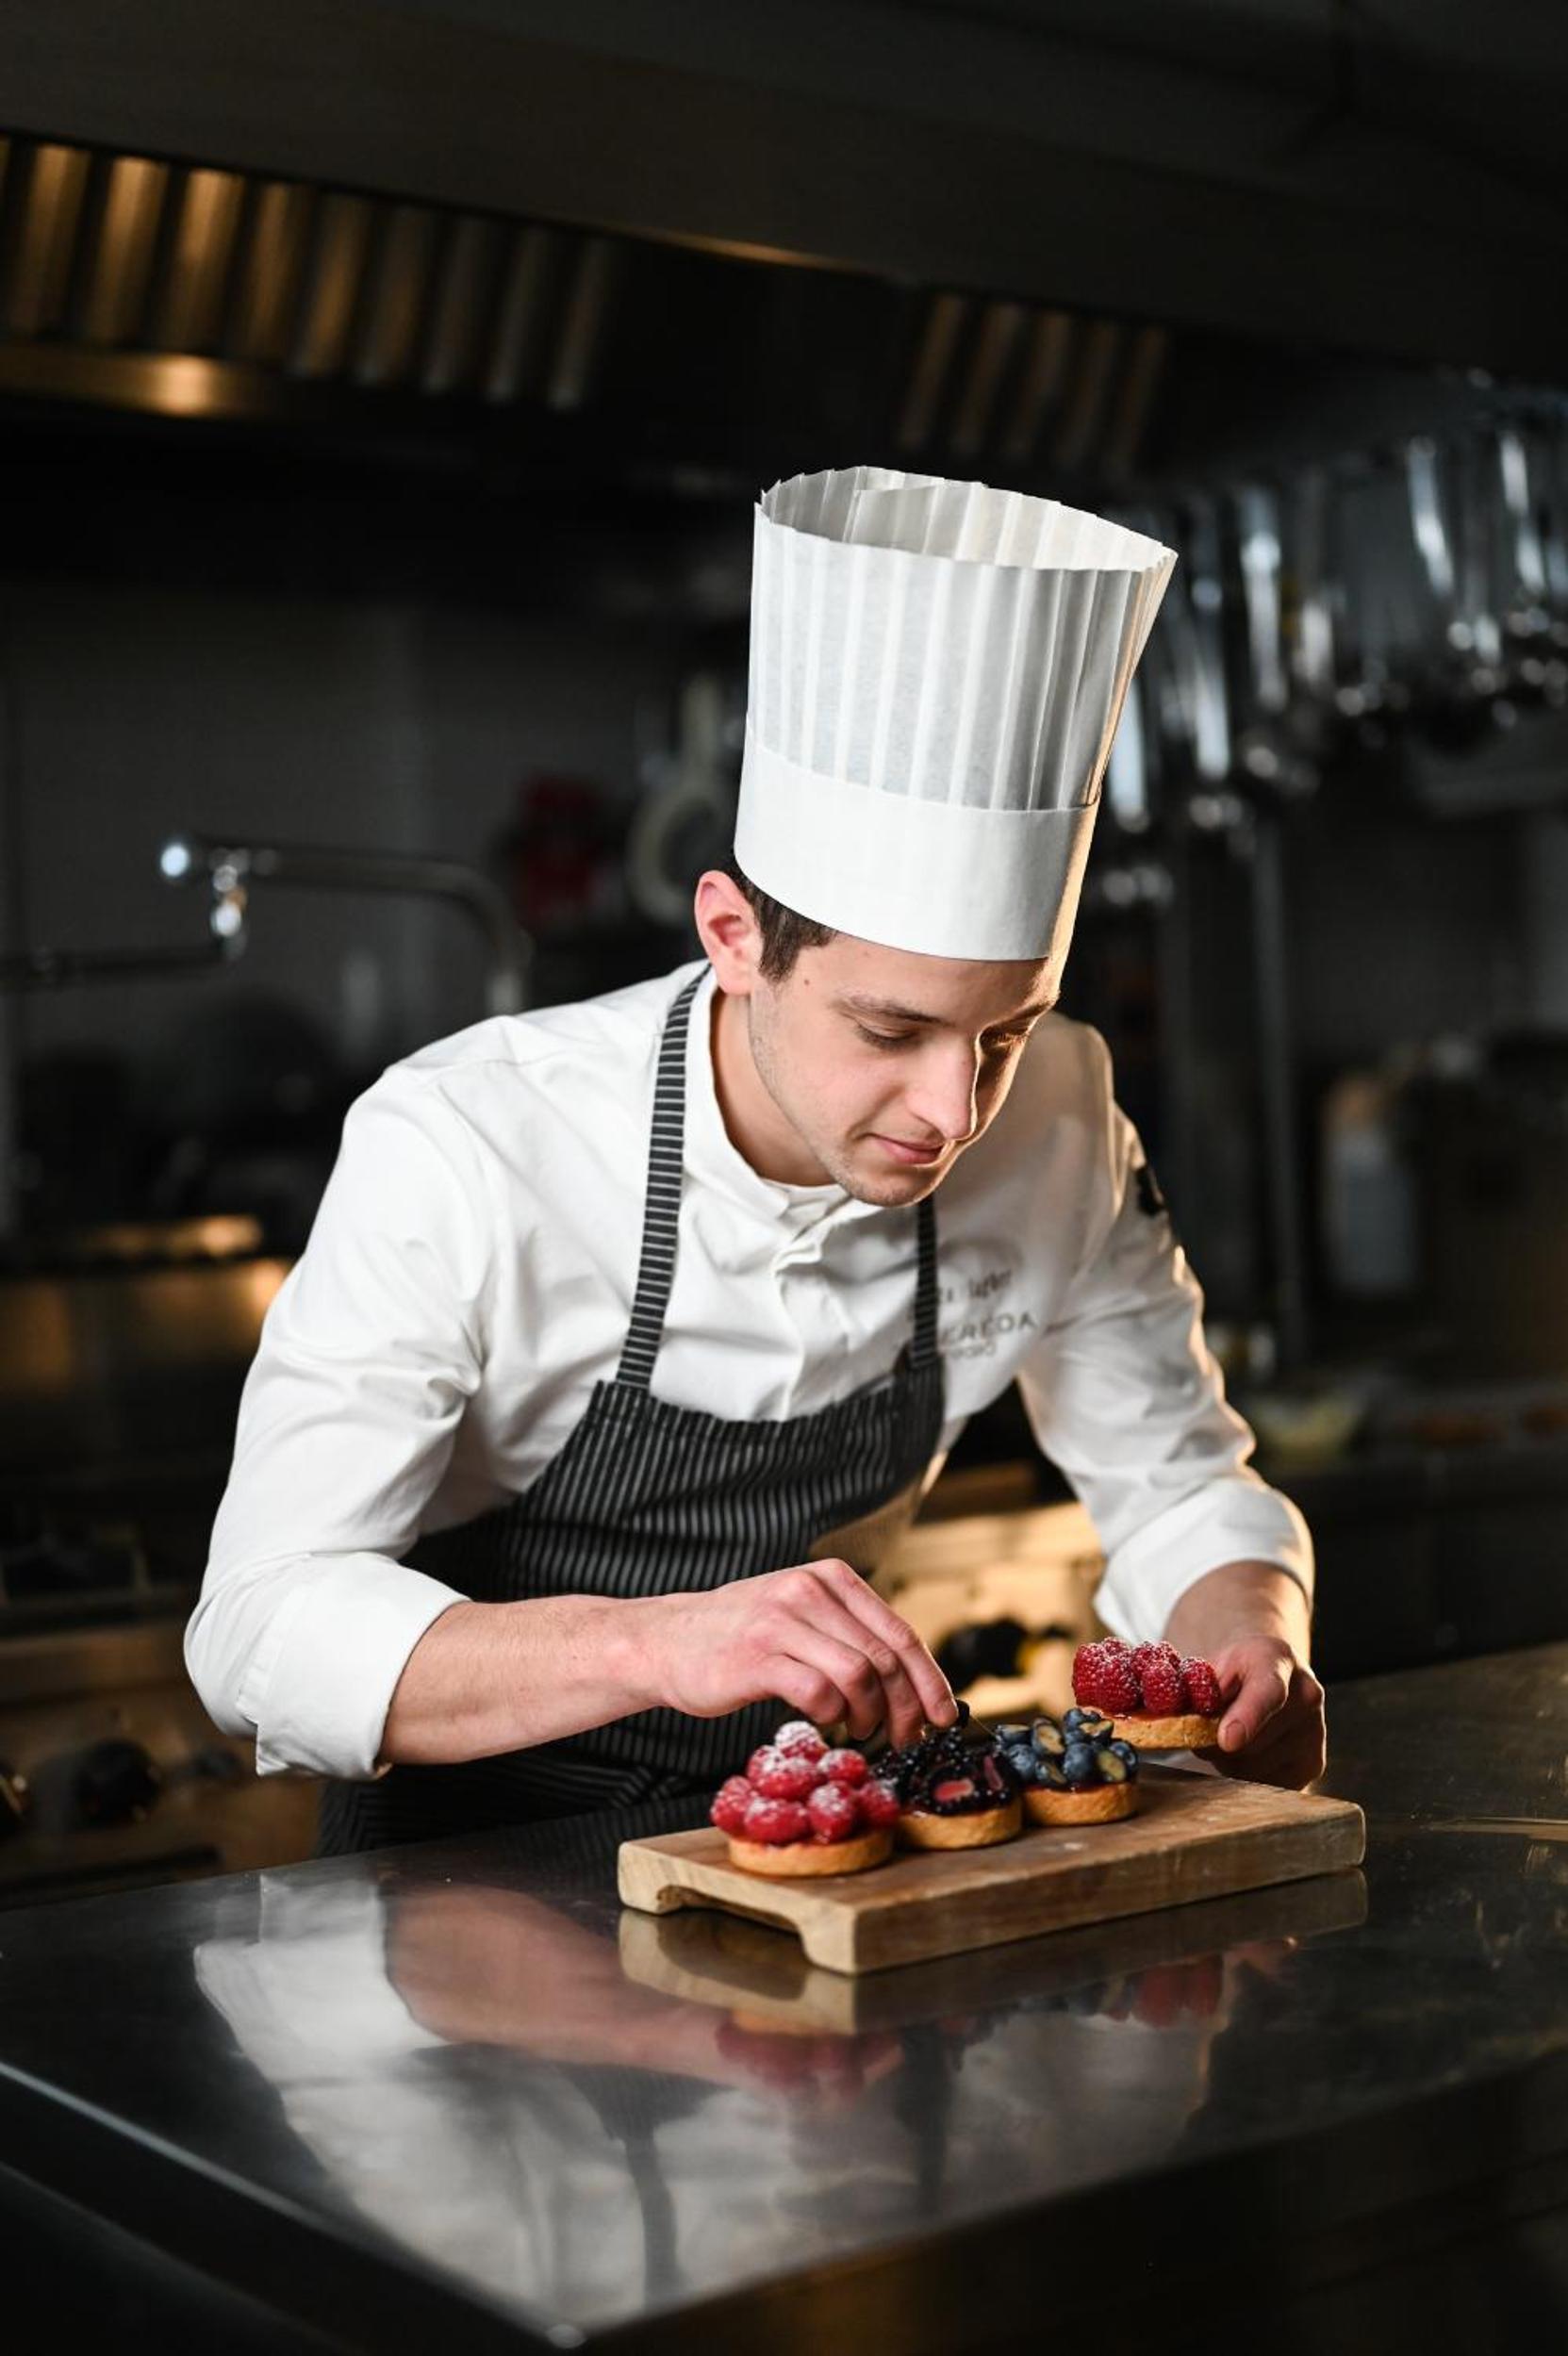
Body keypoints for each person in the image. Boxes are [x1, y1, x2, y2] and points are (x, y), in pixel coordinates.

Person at [185, 466, 1322, 1853]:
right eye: (890, 1029)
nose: (953, 1109)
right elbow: (257, 1628)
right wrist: (657, 1643)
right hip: (462, 1895)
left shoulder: (1061, 1120)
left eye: (1005, 1031)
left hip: (820, 1860)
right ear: (732, 937)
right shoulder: (470, 1145)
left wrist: (1251, 1632)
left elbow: (1182, 1487)